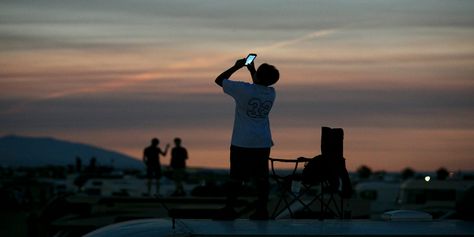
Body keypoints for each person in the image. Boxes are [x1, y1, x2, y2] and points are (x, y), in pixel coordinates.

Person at [214, 56, 279, 220]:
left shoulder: (244, 90)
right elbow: (258, 86)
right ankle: (262, 210)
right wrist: (252, 70)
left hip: (242, 141)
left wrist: (236, 67)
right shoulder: (271, 93)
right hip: (263, 142)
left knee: (236, 178)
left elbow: (219, 80)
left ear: (259, 77)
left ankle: (229, 209)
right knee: (262, 179)